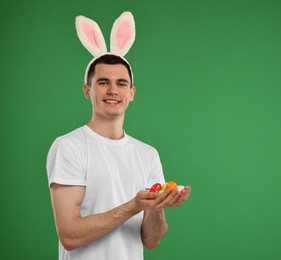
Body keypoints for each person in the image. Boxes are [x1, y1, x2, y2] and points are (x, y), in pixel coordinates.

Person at [46, 12, 191, 260]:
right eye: (103, 82)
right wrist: (134, 206)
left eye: (121, 83)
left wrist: (157, 206)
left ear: (131, 92)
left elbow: (152, 240)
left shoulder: (148, 154)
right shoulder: (69, 147)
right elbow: (69, 235)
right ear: (87, 90)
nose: (113, 90)